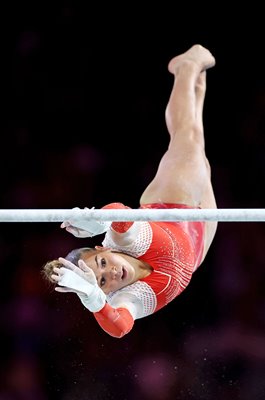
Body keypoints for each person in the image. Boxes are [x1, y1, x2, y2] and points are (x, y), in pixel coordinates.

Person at [43, 44, 218, 338]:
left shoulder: (125, 241)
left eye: (101, 263)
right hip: (198, 244)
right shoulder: (126, 297)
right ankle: (195, 83)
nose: (110, 274)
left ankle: (186, 67)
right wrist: (94, 300)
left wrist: (99, 220)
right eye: (101, 282)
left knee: (187, 137)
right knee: (198, 148)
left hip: (174, 204)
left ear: (104, 248)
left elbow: (120, 216)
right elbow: (120, 327)